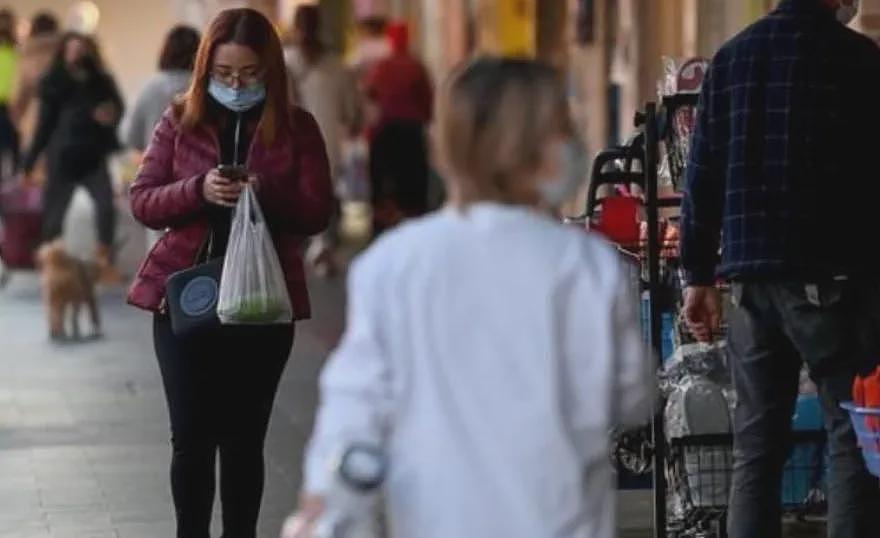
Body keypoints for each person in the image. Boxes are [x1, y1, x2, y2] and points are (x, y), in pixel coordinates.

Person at [287, 58, 653, 538]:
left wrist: (323, 502)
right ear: (521, 149)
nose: (575, 147)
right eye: (563, 131)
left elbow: (355, 406)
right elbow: (631, 394)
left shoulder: (393, 264)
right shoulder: (586, 266)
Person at [126, 8, 333, 538]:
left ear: (270, 69)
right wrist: (198, 189)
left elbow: (316, 211)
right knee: (191, 438)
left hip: (263, 302)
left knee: (243, 440)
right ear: (204, 71)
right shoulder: (179, 119)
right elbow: (143, 201)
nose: (236, 85)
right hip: (185, 299)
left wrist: (267, 192)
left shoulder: (297, 127)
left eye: (248, 74)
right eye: (223, 75)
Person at [681, 1, 880, 537]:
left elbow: (701, 177)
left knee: (756, 446)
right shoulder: (859, 60)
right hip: (835, 280)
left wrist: (697, 277)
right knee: (850, 436)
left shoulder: (731, 59)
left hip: (750, 282)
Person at [21, 33, 124, 283]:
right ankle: (50, 265)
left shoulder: (101, 80)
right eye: (72, 48)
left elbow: (117, 108)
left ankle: (104, 262)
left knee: (105, 207)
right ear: (63, 51)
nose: (77, 53)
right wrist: (30, 161)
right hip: (63, 156)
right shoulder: (53, 81)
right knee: (54, 215)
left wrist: (109, 115)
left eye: (81, 49)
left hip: (93, 155)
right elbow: (44, 124)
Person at [284, 5, 359, 277]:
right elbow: (352, 114)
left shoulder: (286, 61)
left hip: (304, 146)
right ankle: (316, 246)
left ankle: (315, 247)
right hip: (312, 146)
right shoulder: (332, 65)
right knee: (313, 195)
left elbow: (351, 114)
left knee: (306, 195)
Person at [121, 25, 200, 251]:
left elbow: (129, 135)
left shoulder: (150, 88)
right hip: (200, 182)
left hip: (159, 182)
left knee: (160, 252)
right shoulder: (203, 88)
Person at [364, 21, 433, 236]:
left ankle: (382, 227)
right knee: (412, 191)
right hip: (411, 134)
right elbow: (428, 102)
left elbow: (370, 96)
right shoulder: (416, 66)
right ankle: (414, 228)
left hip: (385, 134)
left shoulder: (381, 67)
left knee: (383, 190)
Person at [11, 11, 60, 183]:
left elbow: (20, 93)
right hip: (64, 119)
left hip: (35, 116)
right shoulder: (65, 53)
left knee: (34, 169)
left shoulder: (28, 55)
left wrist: (15, 118)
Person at [0, 8, 18, 174]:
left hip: (11, 105)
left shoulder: (18, 50)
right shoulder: (17, 50)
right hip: (6, 104)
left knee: (12, 146)